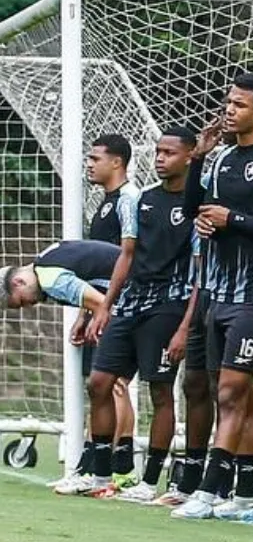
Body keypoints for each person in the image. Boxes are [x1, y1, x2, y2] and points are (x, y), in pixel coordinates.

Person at [169, 73, 253, 523]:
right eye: (228, 102)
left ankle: (209, 491)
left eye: (239, 105)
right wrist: (200, 161)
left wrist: (233, 219)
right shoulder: (220, 157)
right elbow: (194, 210)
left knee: (232, 391)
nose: (229, 110)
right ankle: (246, 491)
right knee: (224, 392)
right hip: (217, 292)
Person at [86, 129, 198, 504]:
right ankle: (100, 474)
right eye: (158, 151)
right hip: (132, 302)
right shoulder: (143, 199)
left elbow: (201, 269)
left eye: (170, 152)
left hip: (170, 305)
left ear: (188, 157)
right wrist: (105, 304)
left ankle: (150, 480)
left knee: (160, 390)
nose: (161, 158)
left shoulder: (197, 204)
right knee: (99, 382)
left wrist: (185, 324)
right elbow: (128, 253)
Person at [6, 239, 117, 493]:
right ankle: (90, 469)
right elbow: (93, 283)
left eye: (21, 302)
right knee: (103, 386)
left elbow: (103, 303)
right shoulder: (44, 263)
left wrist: (96, 321)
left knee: (112, 385)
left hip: (142, 295)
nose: (29, 306)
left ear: (18, 282)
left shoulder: (50, 279)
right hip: (136, 291)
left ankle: (114, 472)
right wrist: (84, 317)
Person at [84, 133, 138, 482]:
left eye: (95, 158)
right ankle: (95, 461)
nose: (89, 164)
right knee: (100, 382)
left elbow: (130, 255)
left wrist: (111, 303)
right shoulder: (106, 202)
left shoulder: (129, 199)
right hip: (98, 302)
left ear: (116, 162)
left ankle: (120, 465)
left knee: (114, 382)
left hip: (119, 303)